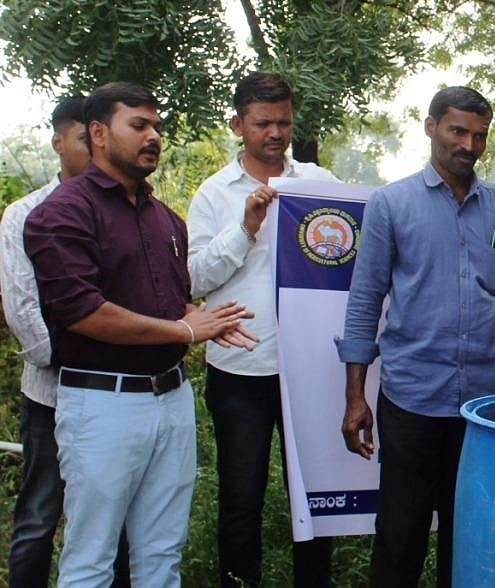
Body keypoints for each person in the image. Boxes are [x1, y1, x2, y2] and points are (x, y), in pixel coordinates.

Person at [23, 81, 256, 587]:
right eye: (139, 125)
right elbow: (80, 312)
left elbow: (171, 301)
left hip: (171, 400)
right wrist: (182, 329)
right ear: (99, 133)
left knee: (161, 555)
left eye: (157, 126)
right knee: (92, 559)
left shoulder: (164, 218)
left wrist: (206, 322)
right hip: (101, 404)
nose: (153, 136)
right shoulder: (61, 213)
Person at [337, 86, 495, 587]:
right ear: (430, 127)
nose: (468, 145)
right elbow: (365, 301)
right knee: (400, 532)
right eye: (457, 131)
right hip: (411, 399)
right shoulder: (390, 203)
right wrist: (354, 397)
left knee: (470, 531)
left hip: (483, 405)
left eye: (479, 135)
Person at [186, 71, 338, 588]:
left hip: (310, 366)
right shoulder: (213, 194)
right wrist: (246, 226)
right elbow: (195, 276)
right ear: (238, 125)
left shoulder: (319, 183)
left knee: (313, 491)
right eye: (262, 123)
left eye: (284, 122)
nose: (275, 133)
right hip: (241, 369)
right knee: (240, 493)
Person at [1, 96, 131, 588]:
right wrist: (76, 358)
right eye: (85, 139)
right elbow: (22, 305)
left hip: (114, 396)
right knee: (39, 514)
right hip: (52, 395)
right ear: (59, 142)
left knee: (111, 517)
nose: (98, 148)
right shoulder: (25, 213)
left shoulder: (125, 208)